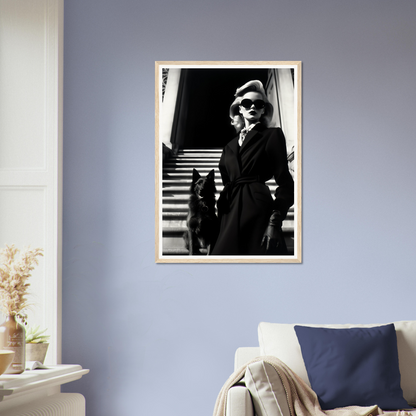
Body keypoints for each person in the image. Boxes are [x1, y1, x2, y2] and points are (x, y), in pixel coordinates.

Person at [211, 80, 294, 255]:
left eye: (259, 104)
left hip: (258, 210)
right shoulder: (229, 146)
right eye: (247, 103)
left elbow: (286, 184)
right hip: (229, 211)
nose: (252, 107)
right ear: (239, 109)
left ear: (263, 109)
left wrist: (274, 222)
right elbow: (227, 181)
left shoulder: (272, 135)